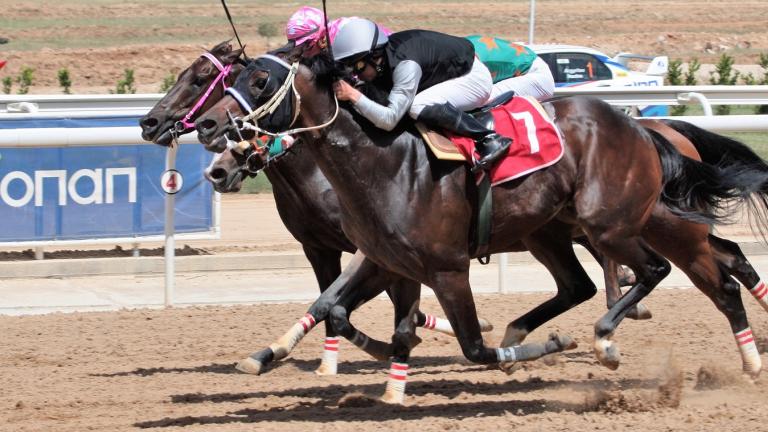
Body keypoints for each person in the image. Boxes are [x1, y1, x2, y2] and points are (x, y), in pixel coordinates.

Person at [332, 18, 510, 171]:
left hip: (472, 79)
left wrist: (353, 95)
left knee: (417, 106)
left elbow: (389, 120)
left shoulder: (405, 66)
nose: (357, 73)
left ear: (376, 57)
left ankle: (488, 138)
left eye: (359, 67)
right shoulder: (385, 57)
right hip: (446, 72)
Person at [466, 35, 554, 101]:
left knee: (479, 99)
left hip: (534, 75)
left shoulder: (471, 59)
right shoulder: (462, 47)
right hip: (525, 67)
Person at [284, 7, 392, 58]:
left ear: (322, 39)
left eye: (307, 47)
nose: (303, 54)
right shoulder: (327, 40)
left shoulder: (345, 37)